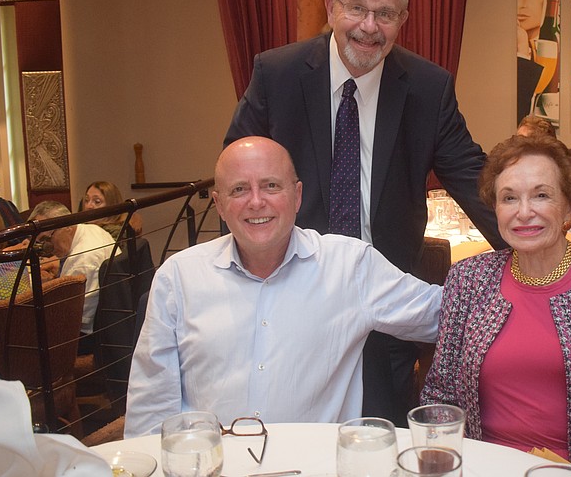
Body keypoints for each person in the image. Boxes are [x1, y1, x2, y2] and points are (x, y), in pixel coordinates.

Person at [223, 0, 502, 425]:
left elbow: (472, 176)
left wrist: (542, 257)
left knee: (383, 436)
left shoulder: (427, 88)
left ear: (403, 19)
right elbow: (236, 175)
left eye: (385, 13)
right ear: (331, 7)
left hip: (382, 303)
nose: (369, 26)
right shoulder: (279, 74)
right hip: (290, 291)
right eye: (357, 8)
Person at [125, 137, 442, 437]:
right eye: (239, 189)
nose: (256, 201)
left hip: (316, 467)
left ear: (298, 195)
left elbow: (444, 315)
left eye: (271, 186)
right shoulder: (178, 279)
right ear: (220, 205)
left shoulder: (349, 266)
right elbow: (151, 411)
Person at [421, 134, 571, 477]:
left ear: (569, 207)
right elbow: (439, 395)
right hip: (480, 465)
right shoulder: (468, 279)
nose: (524, 212)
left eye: (541, 195)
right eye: (509, 198)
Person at [27, 201, 117, 337]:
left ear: (67, 226)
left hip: (85, 335)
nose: (46, 247)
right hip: (106, 322)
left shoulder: (82, 261)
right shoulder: (91, 229)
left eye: (47, 238)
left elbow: (73, 320)